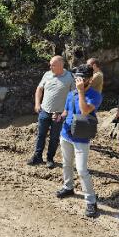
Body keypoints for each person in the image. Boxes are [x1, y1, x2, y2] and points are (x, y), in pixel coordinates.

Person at [56, 64, 102, 218]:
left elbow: (84, 110)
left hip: (81, 137)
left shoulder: (95, 95)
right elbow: (67, 110)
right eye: (76, 78)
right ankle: (68, 187)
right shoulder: (71, 94)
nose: (78, 80)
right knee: (66, 164)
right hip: (66, 134)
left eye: (81, 78)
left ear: (89, 79)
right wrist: (60, 116)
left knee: (82, 170)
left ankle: (91, 201)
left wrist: (81, 91)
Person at [27, 56, 75, 169]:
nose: (50, 67)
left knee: (54, 137)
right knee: (41, 135)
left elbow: (73, 95)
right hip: (44, 110)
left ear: (61, 65)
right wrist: (37, 104)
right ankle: (37, 156)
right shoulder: (47, 74)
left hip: (58, 114)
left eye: (53, 65)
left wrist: (66, 111)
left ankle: (50, 158)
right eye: (50, 64)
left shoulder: (69, 77)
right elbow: (39, 89)